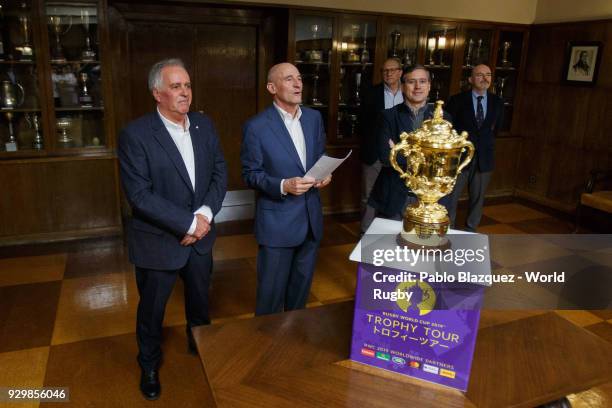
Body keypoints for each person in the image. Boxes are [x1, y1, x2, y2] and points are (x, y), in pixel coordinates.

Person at [118, 58, 227, 400]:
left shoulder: (204, 125)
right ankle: (148, 363)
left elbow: (219, 172)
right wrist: (188, 223)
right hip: (158, 242)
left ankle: (200, 346)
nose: (185, 93)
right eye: (176, 86)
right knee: (152, 311)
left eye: (188, 85)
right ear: (157, 93)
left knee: (199, 300)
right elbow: (139, 195)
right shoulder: (135, 134)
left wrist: (205, 216)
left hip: (201, 238)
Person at [241, 62, 331, 316]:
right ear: (272, 87)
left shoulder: (314, 118)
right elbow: (250, 175)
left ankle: (292, 345)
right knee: (270, 300)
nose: (298, 83)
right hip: (277, 225)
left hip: (311, 221)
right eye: (289, 79)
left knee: (299, 298)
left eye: (299, 78)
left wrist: (324, 175)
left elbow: (318, 157)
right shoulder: (256, 127)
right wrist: (283, 185)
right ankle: (267, 350)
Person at [368, 64, 451, 220]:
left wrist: (399, 151)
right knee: (388, 243)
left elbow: (445, 161)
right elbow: (386, 157)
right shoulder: (388, 116)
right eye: (412, 81)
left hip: (432, 198)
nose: (418, 86)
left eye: (423, 81)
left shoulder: (444, 118)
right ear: (403, 86)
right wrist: (426, 157)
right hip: (395, 195)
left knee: (425, 244)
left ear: (429, 86)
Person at [446, 64, 503, 232]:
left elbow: (497, 129)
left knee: (478, 198)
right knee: (451, 196)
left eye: (488, 74)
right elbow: (448, 128)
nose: (485, 78)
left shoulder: (497, 102)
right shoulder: (457, 100)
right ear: (470, 79)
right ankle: (448, 229)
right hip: (459, 158)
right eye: (479, 75)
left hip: (484, 158)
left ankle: (471, 229)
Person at [359, 57, 404, 232]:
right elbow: (364, 124)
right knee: (368, 196)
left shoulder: (408, 93)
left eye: (392, 70)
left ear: (400, 72)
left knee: (398, 195)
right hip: (374, 154)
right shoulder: (371, 93)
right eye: (385, 70)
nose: (388, 73)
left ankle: (391, 233)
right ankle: (365, 233)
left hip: (401, 155)